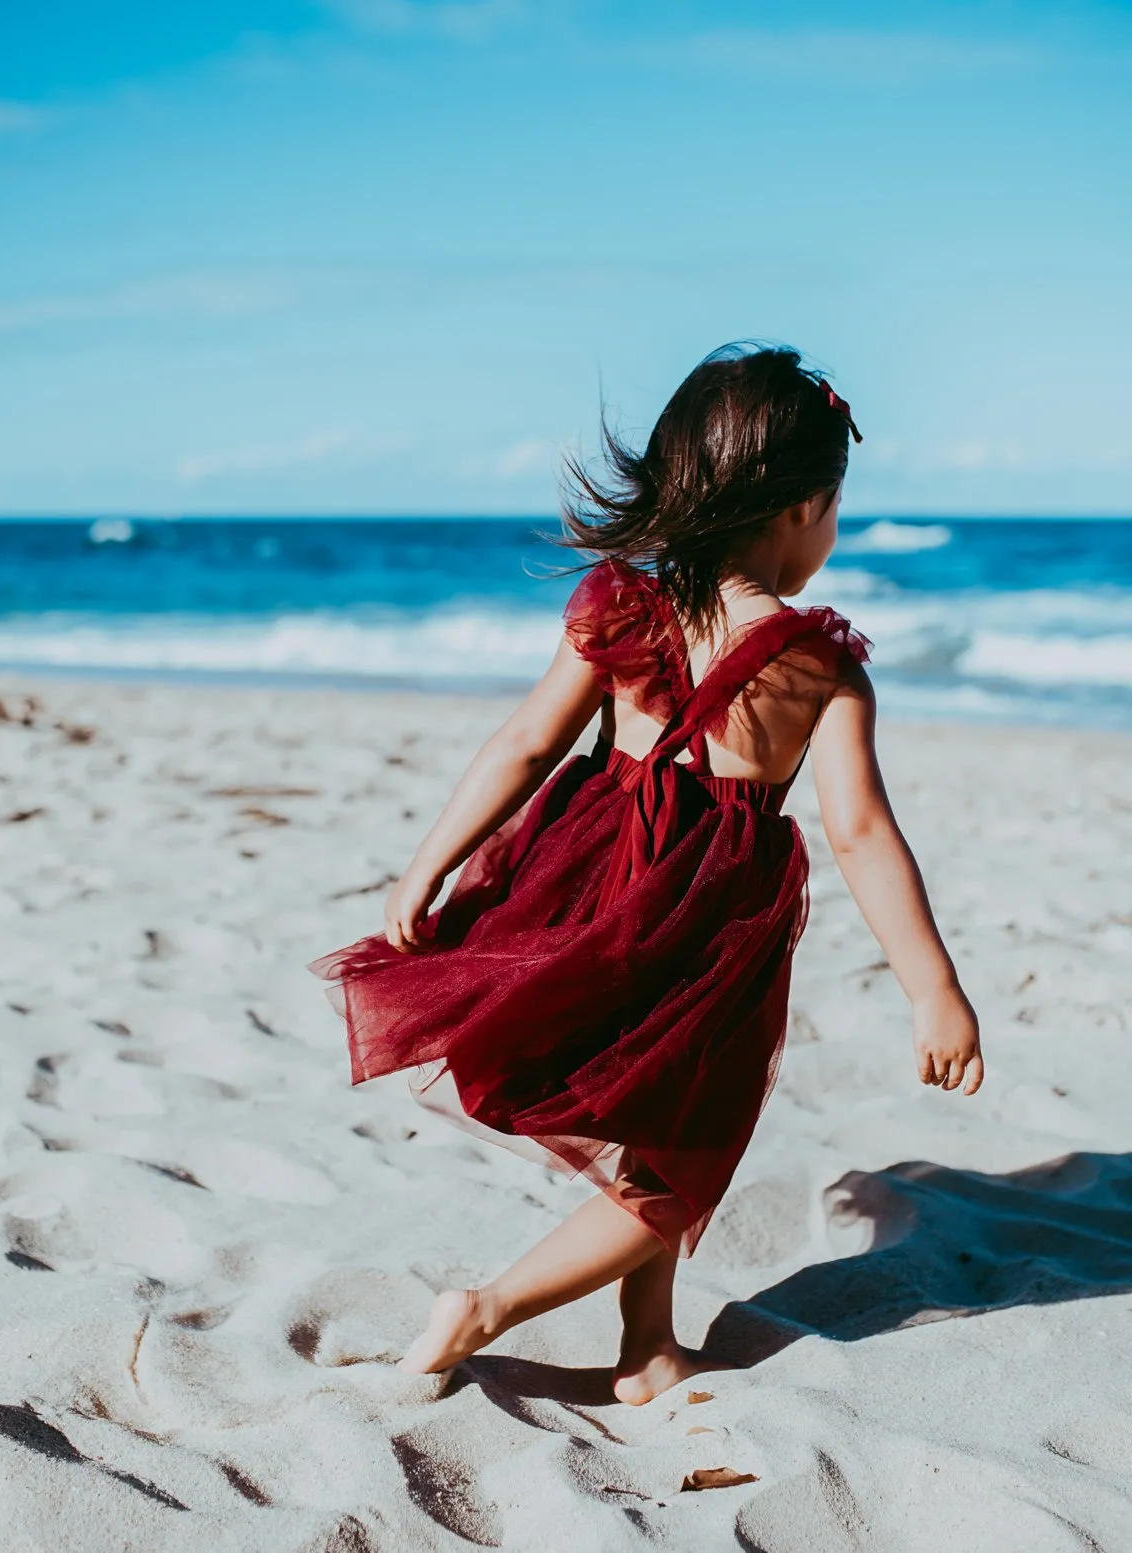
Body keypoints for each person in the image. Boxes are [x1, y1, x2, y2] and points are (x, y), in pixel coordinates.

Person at [309, 343, 983, 1405]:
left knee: (652, 1115)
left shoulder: (622, 609)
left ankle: (649, 1346)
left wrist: (428, 867)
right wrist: (933, 986)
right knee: (688, 1150)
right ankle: (484, 1308)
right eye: (834, 508)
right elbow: (858, 831)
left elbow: (528, 743)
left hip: (590, 878)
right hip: (714, 915)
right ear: (805, 506)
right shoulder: (818, 663)